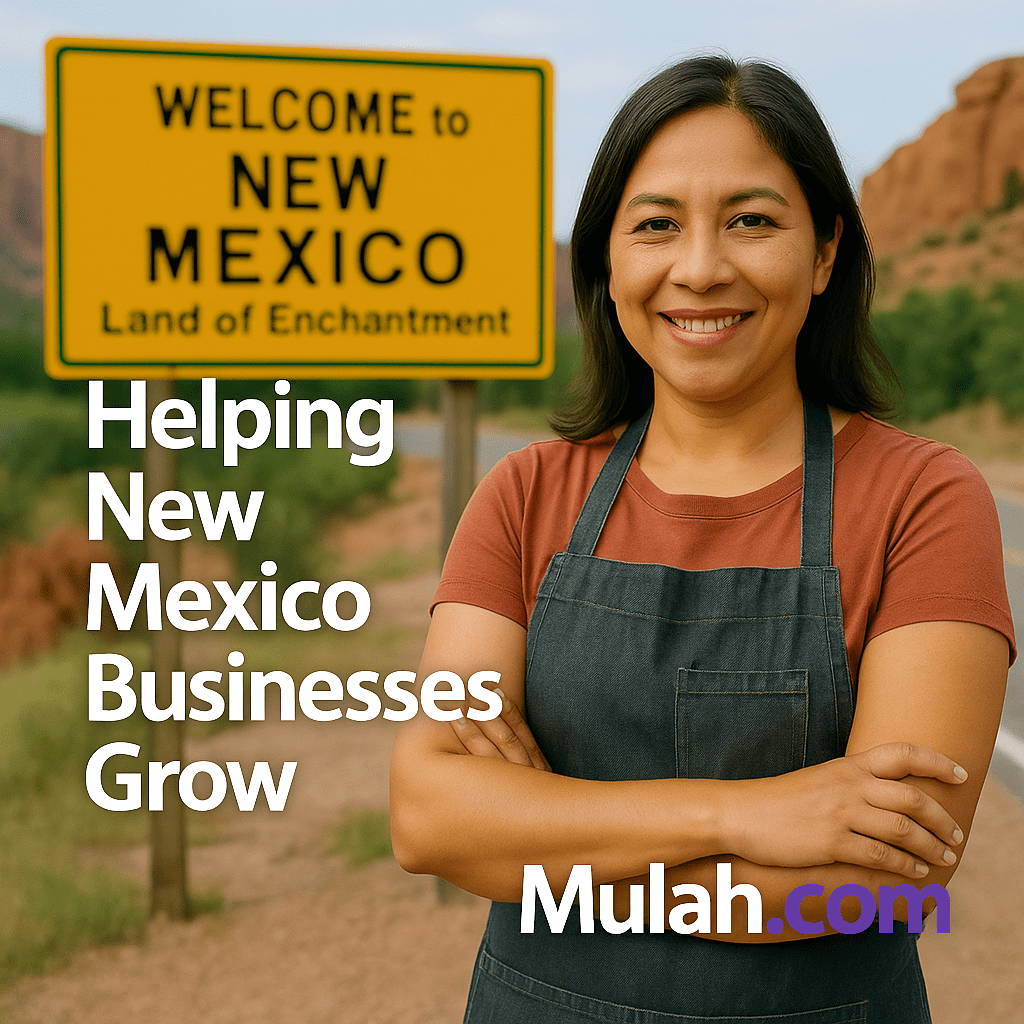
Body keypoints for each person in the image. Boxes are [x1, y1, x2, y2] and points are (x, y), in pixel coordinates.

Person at [389, 54, 1014, 1023]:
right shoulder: (522, 496)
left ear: (824, 252)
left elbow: (883, 878)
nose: (700, 268)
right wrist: (747, 814)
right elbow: (429, 817)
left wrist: (542, 842)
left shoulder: (923, 498)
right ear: (607, 262)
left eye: (751, 220)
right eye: (655, 225)